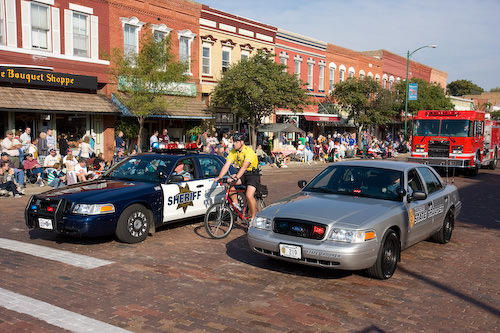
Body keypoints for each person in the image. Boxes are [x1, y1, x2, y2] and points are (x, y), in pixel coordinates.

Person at [214, 133, 261, 221]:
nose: (234, 144)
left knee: (249, 195)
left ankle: (253, 218)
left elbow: (244, 166)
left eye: (236, 142)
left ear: (242, 142)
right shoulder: (233, 151)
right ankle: (236, 204)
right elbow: (227, 165)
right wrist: (219, 177)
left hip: (253, 175)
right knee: (228, 182)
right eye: (233, 142)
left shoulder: (249, 151)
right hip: (242, 173)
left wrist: (236, 177)